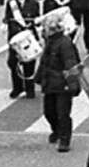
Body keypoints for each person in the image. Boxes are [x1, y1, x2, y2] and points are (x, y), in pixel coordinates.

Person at [35, 10, 81, 151]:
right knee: (49, 112)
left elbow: (71, 64)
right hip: (50, 83)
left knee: (63, 114)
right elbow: (44, 62)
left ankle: (64, 140)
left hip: (63, 85)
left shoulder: (65, 44)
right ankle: (57, 131)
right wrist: (39, 77)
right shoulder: (50, 42)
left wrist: (73, 84)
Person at [3, 0, 41, 98]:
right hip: (15, 37)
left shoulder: (33, 3)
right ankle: (17, 87)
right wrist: (5, 25)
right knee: (13, 63)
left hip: (28, 37)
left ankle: (30, 89)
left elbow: (36, 19)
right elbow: (8, 18)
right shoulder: (11, 3)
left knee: (29, 64)